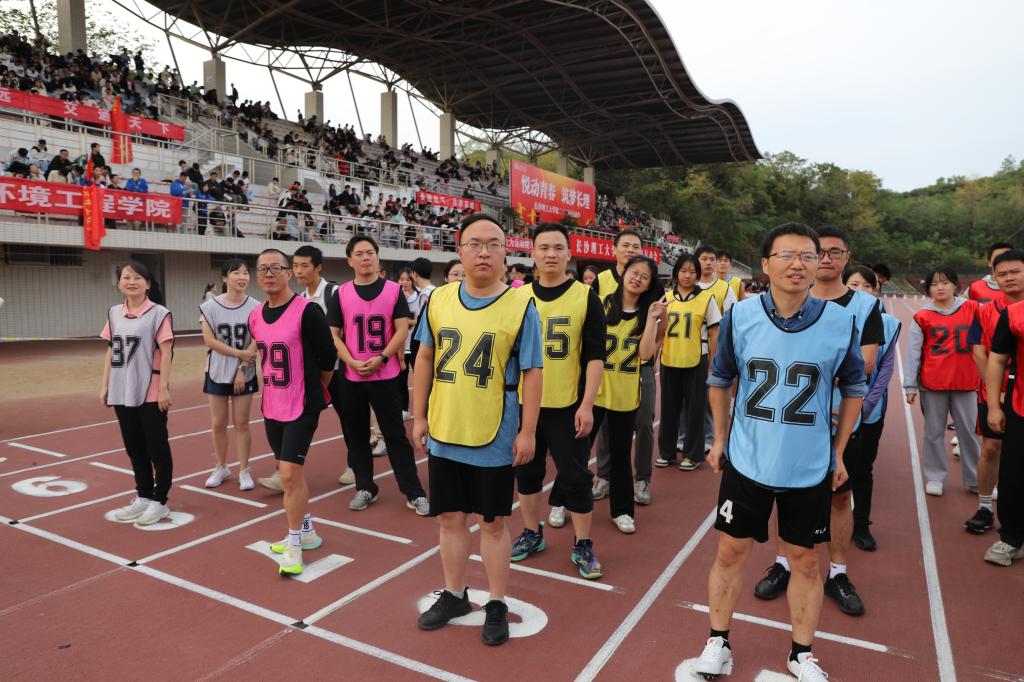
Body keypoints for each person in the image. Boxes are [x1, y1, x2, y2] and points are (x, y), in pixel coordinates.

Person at [689, 222, 866, 681]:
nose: (797, 264)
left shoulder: (839, 321)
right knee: (731, 551)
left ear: (818, 263)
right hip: (748, 459)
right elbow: (720, 378)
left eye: (807, 255)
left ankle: (801, 654)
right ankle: (718, 641)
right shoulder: (741, 316)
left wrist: (839, 452)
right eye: (786, 255)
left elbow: (854, 387)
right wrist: (720, 439)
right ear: (765, 265)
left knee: (805, 560)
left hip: (807, 465)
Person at [413, 214, 543, 646]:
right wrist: (418, 415)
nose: (483, 252)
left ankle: (497, 602)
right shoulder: (439, 299)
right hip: (445, 426)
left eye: (493, 244)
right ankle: (454, 595)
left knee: (492, 523)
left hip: (494, 431)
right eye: (474, 244)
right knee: (450, 518)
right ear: (460, 250)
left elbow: (533, 372)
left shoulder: (521, 305)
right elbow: (425, 357)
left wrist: (528, 431)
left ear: (506, 252)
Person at [754, 226, 882, 617]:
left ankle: (838, 573)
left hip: (841, 419)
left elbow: (865, 365)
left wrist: (818, 373)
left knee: (840, 495)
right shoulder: (790, 299)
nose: (825, 259)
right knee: (784, 490)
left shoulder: (864, 307)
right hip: (790, 420)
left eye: (834, 252)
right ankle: (782, 563)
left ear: (847, 257)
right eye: (818, 252)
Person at [509, 223, 607, 578]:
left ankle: (582, 544)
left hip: (567, 404)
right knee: (526, 471)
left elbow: (595, 355)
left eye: (558, 248)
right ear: (532, 253)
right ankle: (532, 532)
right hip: (524, 404)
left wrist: (587, 404)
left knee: (576, 476)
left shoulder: (586, 297)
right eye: (544, 247)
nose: (551, 254)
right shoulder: (516, 297)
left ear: (568, 253)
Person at [249, 248, 336, 575]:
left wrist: (313, 388)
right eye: (262, 269)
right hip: (272, 403)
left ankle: (295, 543)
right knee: (291, 477)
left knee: (287, 474)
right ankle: (307, 530)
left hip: (302, 403)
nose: (268, 274)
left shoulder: (307, 311)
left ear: (289, 273)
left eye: (276, 267)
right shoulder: (255, 316)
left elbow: (328, 358)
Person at [327, 236, 429, 514]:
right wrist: (350, 361)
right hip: (352, 376)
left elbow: (401, 329)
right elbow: (333, 334)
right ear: (350, 261)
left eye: (370, 252)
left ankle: (413, 492)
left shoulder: (393, 290)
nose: (365, 258)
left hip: (385, 374)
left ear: (377, 257)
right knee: (356, 435)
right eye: (359, 254)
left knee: (395, 435)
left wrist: (382, 357)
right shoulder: (341, 293)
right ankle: (365, 487)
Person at [267, 245, 356, 489]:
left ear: (318, 268)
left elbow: (348, 328)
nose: (298, 270)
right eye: (295, 266)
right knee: (295, 421)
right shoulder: (298, 300)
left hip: (338, 370)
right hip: (309, 374)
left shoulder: (334, 293)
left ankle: (355, 465)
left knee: (349, 419)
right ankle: (284, 470)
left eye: (304, 265)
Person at [593, 255, 665, 534]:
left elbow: (645, 354)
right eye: (634, 272)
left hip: (624, 394)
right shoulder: (600, 304)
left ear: (649, 285)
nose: (637, 278)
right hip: (594, 391)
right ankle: (562, 501)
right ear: (623, 274)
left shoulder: (648, 314)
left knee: (621, 454)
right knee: (577, 450)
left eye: (644, 277)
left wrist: (652, 320)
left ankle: (621, 510)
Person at [101, 261, 176, 527]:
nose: (131, 282)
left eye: (137, 277)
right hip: (122, 389)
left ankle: (160, 501)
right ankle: (143, 496)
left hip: (150, 391)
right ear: (119, 282)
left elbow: (166, 352)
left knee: (157, 448)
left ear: (148, 283)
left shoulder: (159, 313)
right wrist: (105, 384)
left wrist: (164, 387)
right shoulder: (114, 312)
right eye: (126, 277)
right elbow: (111, 349)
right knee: (134, 447)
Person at [904, 267, 981, 498]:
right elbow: (913, 353)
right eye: (934, 284)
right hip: (933, 384)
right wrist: (910, 385)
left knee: (969, 433)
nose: (940, 287)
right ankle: (935, 477)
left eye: (945, 282)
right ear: (928, 289)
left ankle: (976, 479)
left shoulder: (974, 309)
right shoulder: (922, 317)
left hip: (966, 382)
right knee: (933, 432)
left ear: (955, 285)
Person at [842, 266, 901, 551]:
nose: (861, 291)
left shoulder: (888, 323)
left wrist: (865, 407)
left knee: (862, 469)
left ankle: (861, 523)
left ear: (877, 291)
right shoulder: (830, 317)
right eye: (854, 285)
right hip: (832, 409)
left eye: (868, 286)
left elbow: (885, 370)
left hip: (869, 409)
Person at [966, 250, 1024, 534]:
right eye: (1002, 274)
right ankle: (985, 506)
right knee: (991, 448)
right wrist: (995, 393)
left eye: (1015, 271)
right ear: (994, 277)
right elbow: (979, 353)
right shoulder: (985, 310)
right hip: (994, 391)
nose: (1009, 278)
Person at [591, 230, 650, 501]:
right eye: (625, 245)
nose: (630, 250)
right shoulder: (601, 281)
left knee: (643, 422)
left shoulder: (647, 283)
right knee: (602, 427)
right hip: (604, 363)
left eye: (635, 246)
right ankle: (603, 476)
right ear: (614, 249)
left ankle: (642, 479)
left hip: (637, 364)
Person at [656, 253, 721, 474]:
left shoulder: (707, 299)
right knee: (668, 410)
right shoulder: (666, 298)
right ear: (676, 273)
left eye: (692, 271)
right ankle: (666, 452)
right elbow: (659, 331)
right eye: (683, 271)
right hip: (669, 359)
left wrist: (712, 364)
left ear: (698, 275)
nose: (687, 275)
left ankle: (692, 455)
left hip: (696, 361)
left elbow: (714, 334)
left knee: (695, 410)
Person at [199, 259, 260, 490]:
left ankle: (244, 469)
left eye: (245, 273)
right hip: (217, 370)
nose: (242, 277)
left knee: (242, 423)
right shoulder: (210, 306)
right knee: (218, 424)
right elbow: (209, 340)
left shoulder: (256, 306)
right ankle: (221, 466)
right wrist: (239, 353)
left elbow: (256, 340)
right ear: (224, 278)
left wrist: (242, 368)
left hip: (245, 372)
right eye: (236, 273)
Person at [983, 289, 1024, 566]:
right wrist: (994, 407)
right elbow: (997, 359)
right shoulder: (1015, 313)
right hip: (1020, 406)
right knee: (1014, 475)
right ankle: (1011, 538)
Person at [398, 267, 422, 418]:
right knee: (401, 380)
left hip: (416, 344)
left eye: (408, 279)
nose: (404, 282)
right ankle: (404, 410)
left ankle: (422, 411)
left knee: (420, 380)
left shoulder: (419, 297)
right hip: (401, 345)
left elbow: (422, 320)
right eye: (402, 279)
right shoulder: (396, 296)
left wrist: (407, 321)